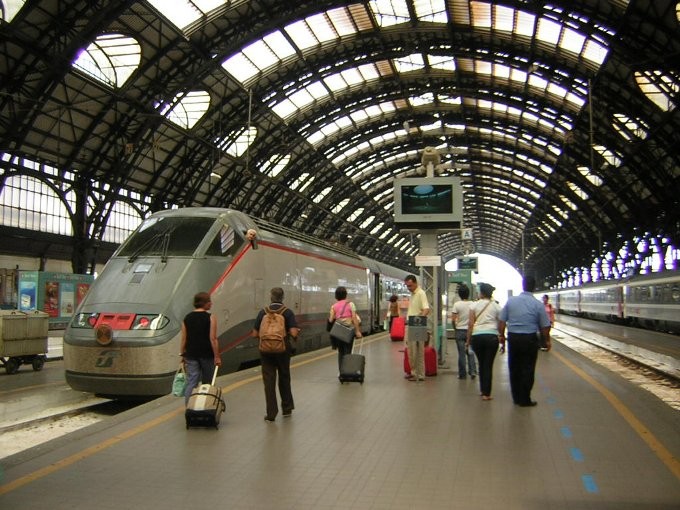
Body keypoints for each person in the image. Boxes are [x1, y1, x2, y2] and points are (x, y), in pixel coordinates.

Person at [498, 276, 551, 407]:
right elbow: (545, 326)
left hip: (514, 338)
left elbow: (501, 321)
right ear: (534, 287)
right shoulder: (538, 304)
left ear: (522, 285)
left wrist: (502, 337)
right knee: (528, 368)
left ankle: (516, 397)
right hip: (530, 339)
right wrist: (547, 341)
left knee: (514, 367)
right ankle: (525, 398)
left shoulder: (511, 301)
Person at [252, 287, 300, 421]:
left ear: (270, 297)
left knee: (269, 381)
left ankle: (271, 413)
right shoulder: (288, 312)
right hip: (283, 350)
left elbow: (255, 334)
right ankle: (287, 408)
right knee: (284, 376)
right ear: (282, 297)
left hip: (266, 351)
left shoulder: (263, 312)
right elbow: (294, 332)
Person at [180, 292, 221, 405]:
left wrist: (182, 354)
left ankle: (189, 407)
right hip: (207, 354)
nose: (211, 303)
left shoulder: (187, 318)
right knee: (207, 382)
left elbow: (184, 339)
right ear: (205, 303)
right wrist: (217, 356)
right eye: (209, 301)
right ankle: (205, 405)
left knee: (192, 381)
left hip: (191, 354)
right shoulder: (211, 317)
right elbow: (213, 339)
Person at [466, 283, 502, 400]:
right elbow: (501, 322)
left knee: (481, 364)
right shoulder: (496, 306)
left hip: (477, 337)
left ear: (481, 293)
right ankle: (487, 393)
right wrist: (501, 335)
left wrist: (468, 340)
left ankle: (483, 391)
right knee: (488, 365)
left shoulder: (474, 305)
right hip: (491, 337)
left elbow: (470, 324)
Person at [328, 286, 363, 371]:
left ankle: (341, 372)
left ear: (336, 296)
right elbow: (354, 318)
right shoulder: (351, 304)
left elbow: (331, 319)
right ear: (345, 295)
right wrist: (357, 331)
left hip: (338, 332)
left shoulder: (334, 306)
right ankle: (347, 371)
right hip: (348, 331)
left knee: (341, 352)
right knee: (348, 351)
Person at [404, 274, 430, 382]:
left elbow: (426, 309)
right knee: (411, 351)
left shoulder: (420, 293)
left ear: (415, 283)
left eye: (410, 286)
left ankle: (419, 374)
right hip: (412, 324)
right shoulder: (413, 294)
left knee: (417, 351)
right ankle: (415, 372)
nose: (408, 288)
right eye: (407, 286)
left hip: (416, 325)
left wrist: (418, 320)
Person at [451, 283, 477, 380]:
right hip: (471, 331)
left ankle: (462, 374)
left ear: (460, 294)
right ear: (468, 293)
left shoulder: (457, 305)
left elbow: (453, 320)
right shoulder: (473, 304)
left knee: (461, 353)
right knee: (470, 351)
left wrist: (455, 328)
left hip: (460, 331)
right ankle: (473, 371)